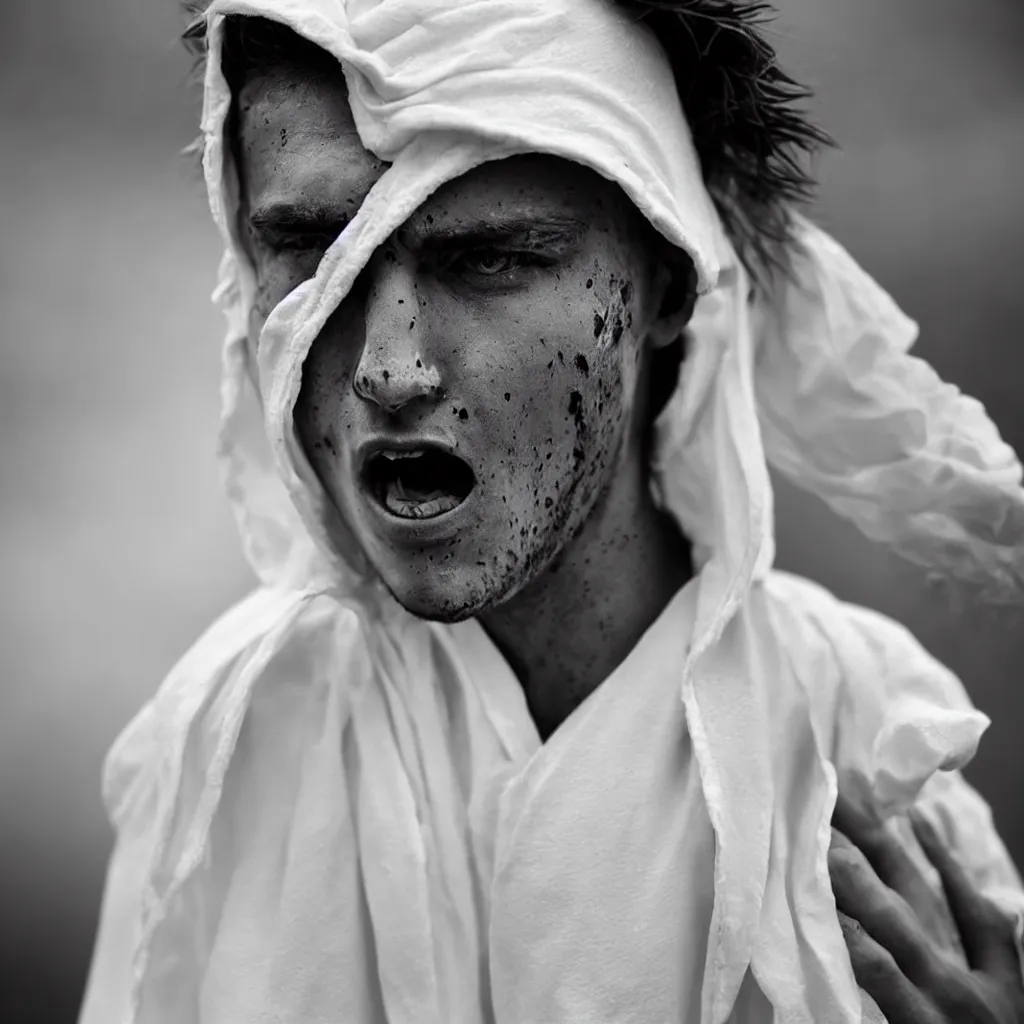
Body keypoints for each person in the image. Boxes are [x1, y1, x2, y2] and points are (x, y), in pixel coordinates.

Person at [80, 1, 1024, 1021]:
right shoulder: (229, 745)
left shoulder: (862, 744)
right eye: (314, 250)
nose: (391, 368)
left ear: (664, 285)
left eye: (490, 258)